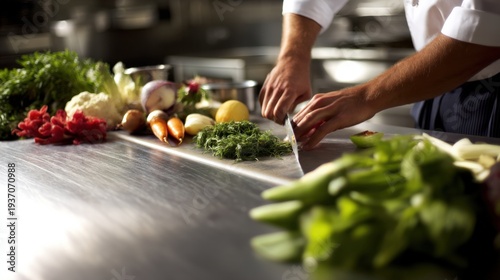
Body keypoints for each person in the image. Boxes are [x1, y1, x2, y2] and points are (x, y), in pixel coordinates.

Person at [259, 0, 500, 150]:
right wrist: (293, 55)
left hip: (491, 97)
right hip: (429, 89)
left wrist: (366, 97)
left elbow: (488, 28)